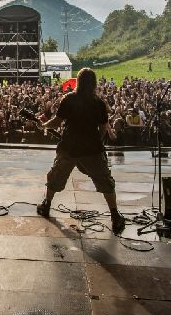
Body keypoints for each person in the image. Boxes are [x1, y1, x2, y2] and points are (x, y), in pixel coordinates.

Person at [37, 67, 126, 233]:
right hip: (92, 148)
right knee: (105, 181)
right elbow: (103, 128)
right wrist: (96, 142)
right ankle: (115, 215)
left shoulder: (69, 99)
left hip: (69, 146)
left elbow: (57, 121)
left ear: (78, 81)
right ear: (93, 83)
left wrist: (44, 125)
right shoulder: (98, 103)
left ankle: (46, 204)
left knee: (56, 176)